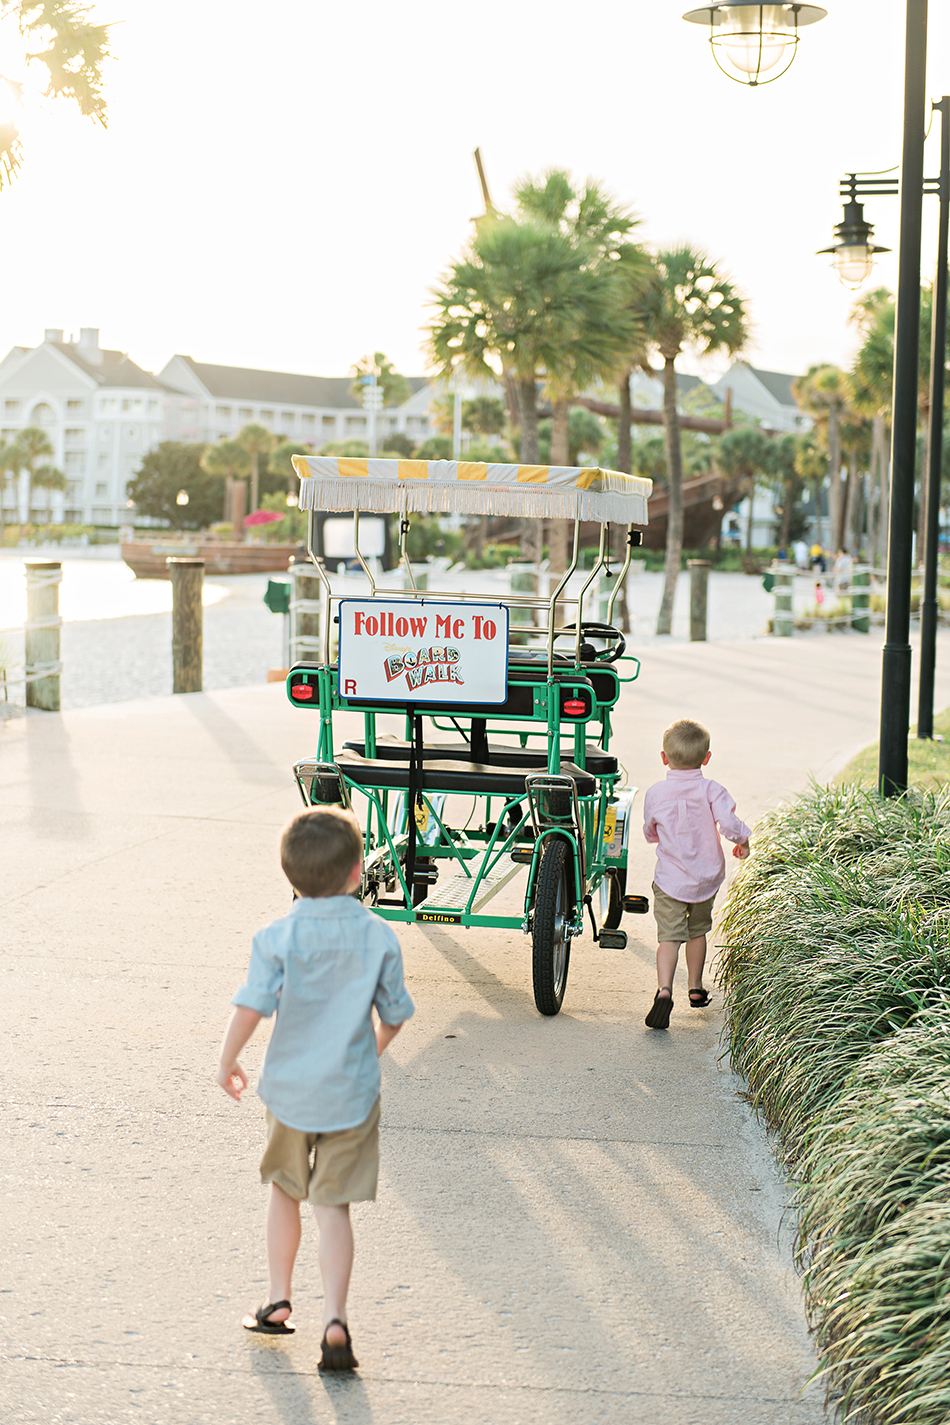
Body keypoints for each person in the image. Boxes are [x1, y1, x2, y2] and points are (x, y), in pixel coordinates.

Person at [216, 805, 414, 1371]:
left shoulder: (276, 936)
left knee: (285, 1191)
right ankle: (335, 1321)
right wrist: (368, 1052)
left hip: (290, 1091)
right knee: (333, 1207)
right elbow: (394, 1015)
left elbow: (251, 1007)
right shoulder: (379, 936)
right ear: (357, 871)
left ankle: (278, 1300)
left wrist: (227, 1060)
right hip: (351, 1095)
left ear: (290, 874)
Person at [641, 719, 751, 1030]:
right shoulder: (711, 790)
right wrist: (743, 841)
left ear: (664, 758)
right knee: (697, 931)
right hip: (705, 878)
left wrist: (657, 836)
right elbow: (729, 824)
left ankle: (664, 990)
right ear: (707, 758)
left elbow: (650, 830)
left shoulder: (657, 793)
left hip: (670, 880)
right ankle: (695, 987)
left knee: (669, 937)